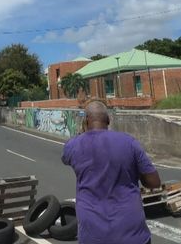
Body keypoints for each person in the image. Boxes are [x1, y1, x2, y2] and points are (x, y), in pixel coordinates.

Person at [62, 100, 161, 244]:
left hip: (93, 235)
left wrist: (83, 132)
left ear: (86, 121)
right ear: (108, 120)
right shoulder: (129, 142)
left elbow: (66, 159)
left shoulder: (73, 145)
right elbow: (154, 182)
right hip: (132, 234)